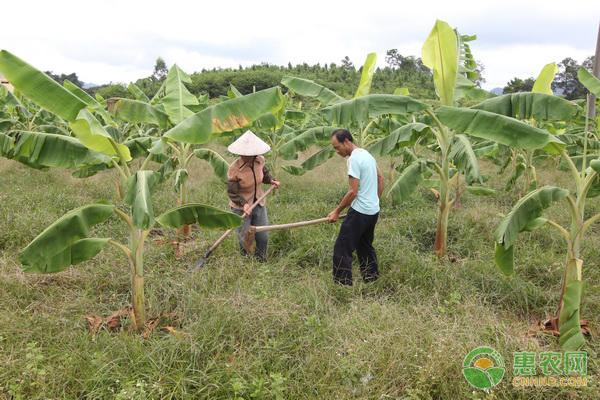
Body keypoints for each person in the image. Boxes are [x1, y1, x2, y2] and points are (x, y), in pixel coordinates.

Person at [327, 129, 384, 285]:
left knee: (342, 248)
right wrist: (374, 201)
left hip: (359, 212)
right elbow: (381, 178)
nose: (337, 151)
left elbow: (353, 191)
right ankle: (372, 280)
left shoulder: (353, 159)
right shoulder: (367, 155)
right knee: (365, 246)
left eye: (337, 147)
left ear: (346, 141)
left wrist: (336, 212)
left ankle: (342, 286)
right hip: (373, 212)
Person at [226, 130, 280, 262]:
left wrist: (272, 180)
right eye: (246, 154)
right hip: (240, 207)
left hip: (259, 202)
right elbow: (232, 192)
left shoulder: (260, 160)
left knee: (263, 236)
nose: (249, 156)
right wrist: (244, 204)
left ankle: (261, 261)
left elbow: (264, 174)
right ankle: (247, 262)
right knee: (245, 238)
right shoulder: (234, 168)